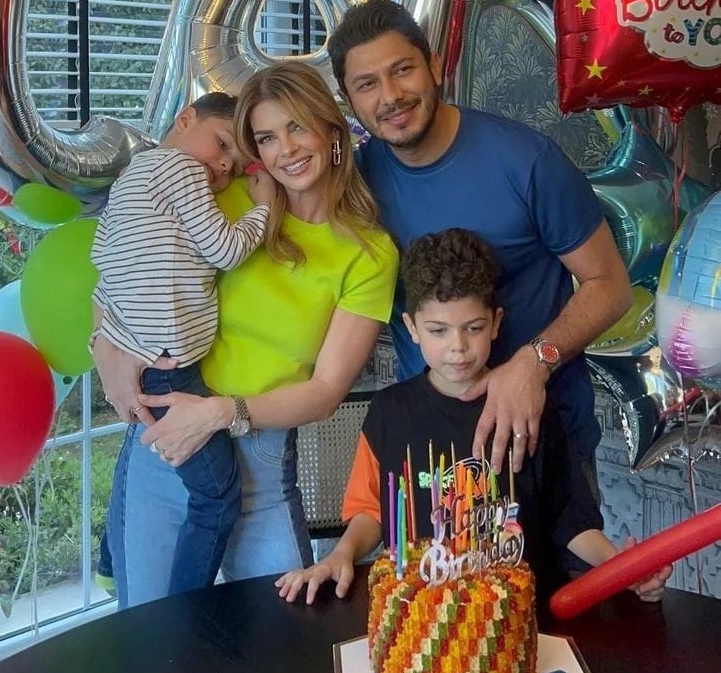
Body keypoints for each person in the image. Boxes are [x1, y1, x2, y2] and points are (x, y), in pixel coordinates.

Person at [93, 63, 399, 608]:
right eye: (266, 137)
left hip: (261, 465)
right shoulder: (221, 198)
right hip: (164, 453)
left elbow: (326, 390)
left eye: (297, 126)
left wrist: (220, 413)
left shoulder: (369, 253)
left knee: (280, 640)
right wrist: (104, 353)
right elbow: (119, 275)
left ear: (332, 130)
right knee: (151, 636)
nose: (286, 150)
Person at [276, 228, 671, 606]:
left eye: (474, 328)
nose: (458, 347)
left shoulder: (529, 407)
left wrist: (622, 567)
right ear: (412, 328)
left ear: (495, 323)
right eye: (438, 330)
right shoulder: (389, 413)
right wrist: (341, 553)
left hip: (519, 617)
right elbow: (371, 512)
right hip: (423, 617)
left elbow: (571, 520)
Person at [327, 0, 633, 480]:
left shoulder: (527, 162)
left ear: (434, 66)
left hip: (545, 446)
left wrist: (534, 362)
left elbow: (611, 286)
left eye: (403, 70)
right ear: (348, 98)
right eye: (367, 84)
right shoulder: (356, 187)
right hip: (431, 453)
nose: (390, 96)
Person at [91, 92, 276, 596]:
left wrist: (107, 341)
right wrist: (263, 209)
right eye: (222, 144)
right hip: (169, 368)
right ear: (185, 118)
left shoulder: (128, 181)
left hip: (142, 356)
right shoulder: (181, 169)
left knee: (157, 472)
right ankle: (184, 608)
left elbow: (102, 265)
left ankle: (113, 561)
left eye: (236, 162)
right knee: (217, 498)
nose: (225, 165)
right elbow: (225, 249)